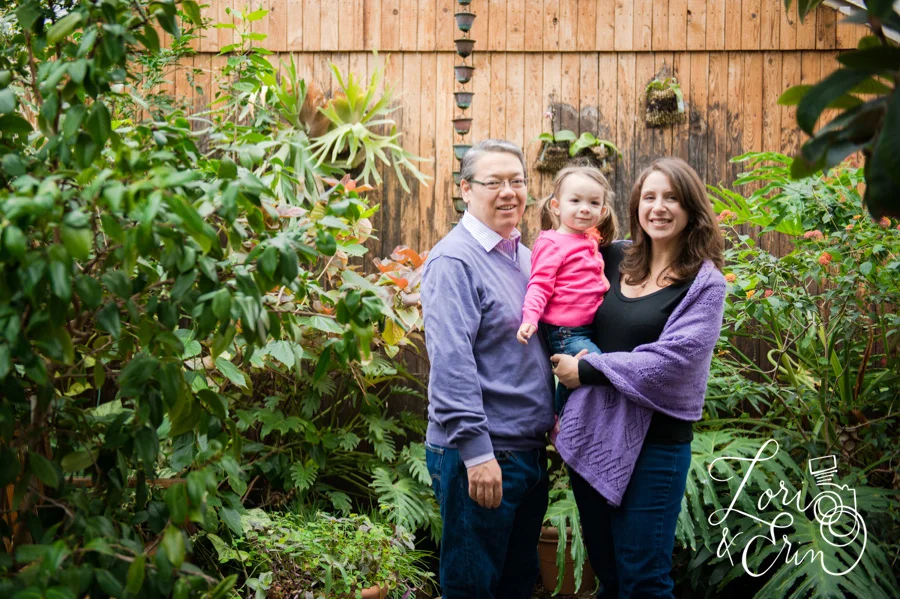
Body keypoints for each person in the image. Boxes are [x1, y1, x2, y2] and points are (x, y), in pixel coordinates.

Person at [550, 158, 726, 598]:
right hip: (591, 436)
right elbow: (559, 295)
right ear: (635, 205)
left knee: (644, 582)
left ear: (691, 209)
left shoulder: (704, 285)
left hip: (656, 448)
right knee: (608, 575)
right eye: (649, 197)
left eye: (671, 197)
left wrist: (588, 368)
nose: (659, 207)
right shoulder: (608, 258)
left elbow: (673, 363)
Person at [421, 139, 555, 599]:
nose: (508, 192)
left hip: (527, 456)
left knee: (516, 586)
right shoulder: (454, 260)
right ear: (465, 190)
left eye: (517, 181)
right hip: (480, 457)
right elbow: (451, 365)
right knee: (472, 588)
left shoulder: (523, 256)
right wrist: (478, 454)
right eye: (493, 182)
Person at [517, 166, 618, 416]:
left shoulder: (587, 239)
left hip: (586, 327)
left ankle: (561, 415)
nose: (584, 208)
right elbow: (539, 284)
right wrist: (530, 318)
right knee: (596, 369)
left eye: (593, 202)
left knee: (577, 375)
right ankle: (561, 417)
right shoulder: (552, 244)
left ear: (602, 211)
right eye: (575, 200)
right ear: (556, 206)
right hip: (566, 332)